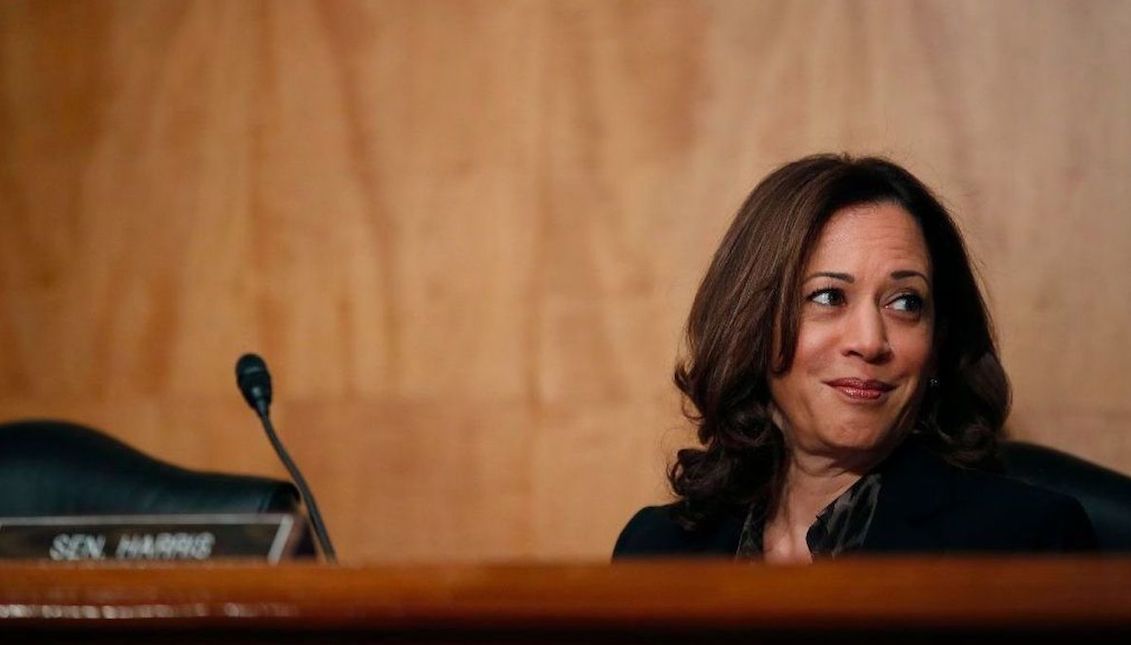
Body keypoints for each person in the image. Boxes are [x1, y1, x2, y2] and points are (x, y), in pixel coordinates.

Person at [614, 154, 1096, 562]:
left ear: (938, 347)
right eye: (828, 297)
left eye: (906, 302)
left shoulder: (1026, 543)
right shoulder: (655, 549)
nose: (869, 341)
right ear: (752, 326)